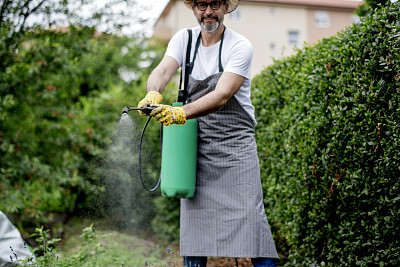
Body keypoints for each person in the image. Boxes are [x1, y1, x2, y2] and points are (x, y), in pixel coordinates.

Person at [138, 0, 279, 266]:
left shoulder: (239, 46)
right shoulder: (184, 39)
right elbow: (163, 70)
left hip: (236, 149)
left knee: (252, 223)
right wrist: (153, 92)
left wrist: (180, 113)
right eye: (201, 4)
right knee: (195, 233)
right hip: (195, 150)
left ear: (226, 7)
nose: (208, 12)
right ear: (192, 8)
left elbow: (222, 95)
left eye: (215, 3)